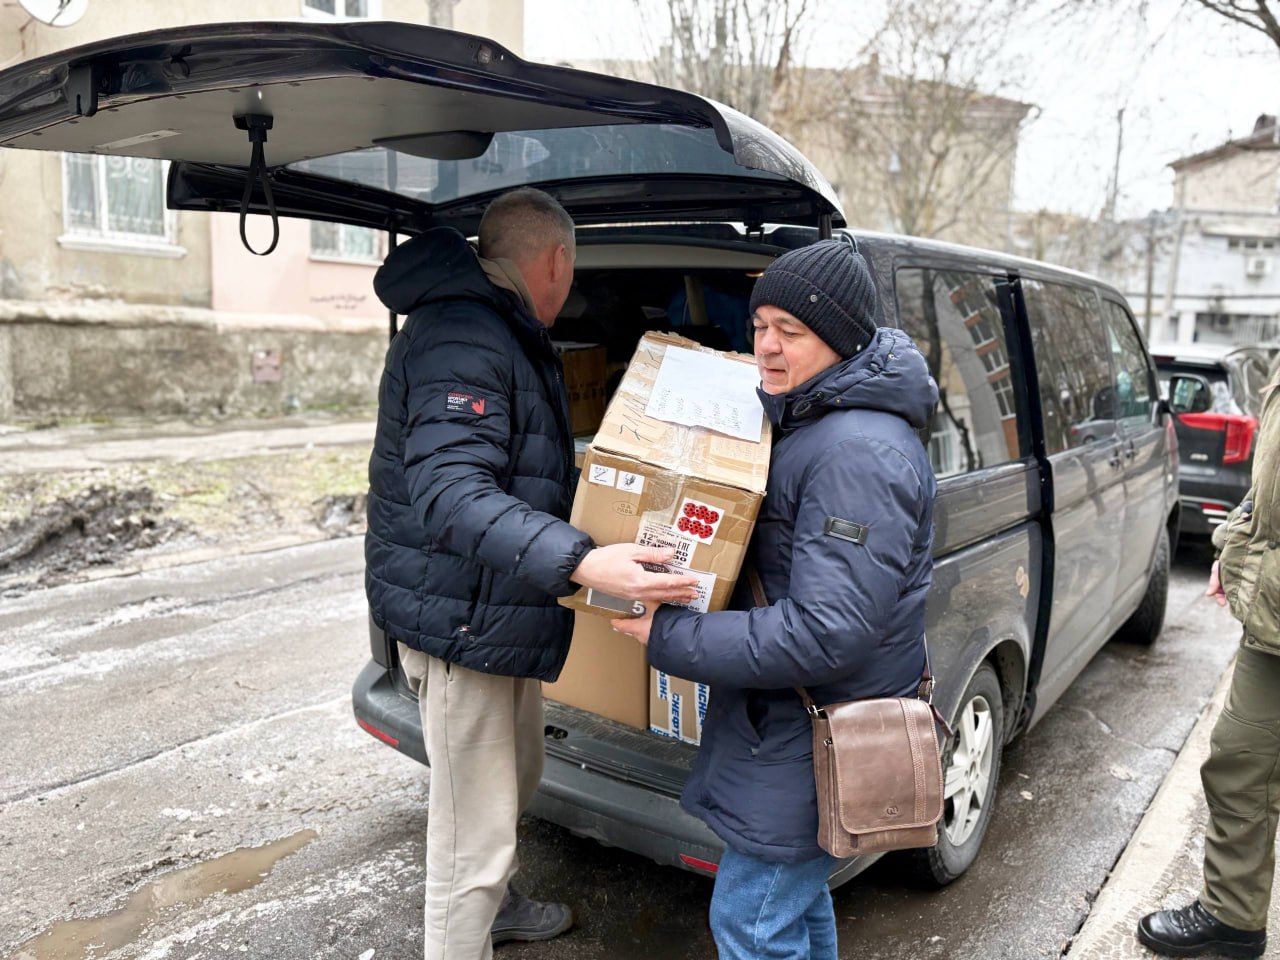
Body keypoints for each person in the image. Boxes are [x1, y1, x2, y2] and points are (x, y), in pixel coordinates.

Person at [365, 187, 699, 960]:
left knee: (516, 773)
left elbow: (515, 470)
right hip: (462, 622)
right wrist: (581, 559)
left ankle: (500, 908)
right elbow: (451, 493)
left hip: (496, 607)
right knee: (471, 841)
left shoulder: (499, 328)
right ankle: (468, 931)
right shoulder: (466, 334)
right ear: (555, 261)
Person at [612, 240, 939, 960]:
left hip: (817, 726)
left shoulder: (857, 452)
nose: (766, 345)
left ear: (841, 338)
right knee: (793, 908)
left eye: (790, 331)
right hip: (792, 721)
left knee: (754, 922)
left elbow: (826, 631)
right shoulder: (813, 422)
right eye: (760, 325)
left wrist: (670, 636)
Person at [1137, 368, 1279, 959]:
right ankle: (1233, 917)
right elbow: (1266, 488)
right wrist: (1235, 546)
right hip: (1273, 623)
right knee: (1240, 761)